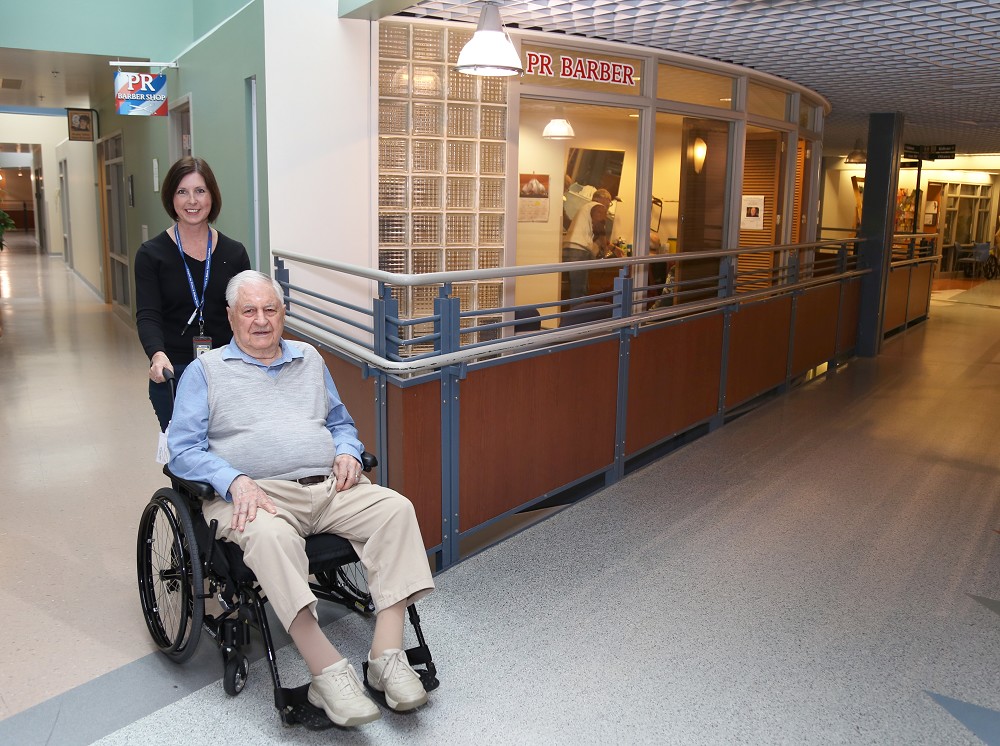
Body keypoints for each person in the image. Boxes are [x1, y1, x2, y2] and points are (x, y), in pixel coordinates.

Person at [168, 270, 434, 728]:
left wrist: (349, 451)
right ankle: (326, 672)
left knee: (396, 509)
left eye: (270, 310)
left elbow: (339, 422)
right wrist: (233, 479)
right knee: (272, 539)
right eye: (249, 311)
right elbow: (183, 450)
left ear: (283, 314)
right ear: (231, 317)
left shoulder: (309, 357)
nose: (261, 320)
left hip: (327, 487)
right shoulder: (206, 371)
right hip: (255, 495)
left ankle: (386, 655)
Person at [134, 156, 251, 431]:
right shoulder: (152, 254)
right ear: (171, 198)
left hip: (228, 367)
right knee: (186, 461)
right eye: (182, 192)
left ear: (212, 196)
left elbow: (245, 310)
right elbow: (148, 315)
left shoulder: (234, 253)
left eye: (200, 191)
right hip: (176, 371)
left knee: (231, 455)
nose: (192, 201)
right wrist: (157, 355)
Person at [561, 188, 612, 300]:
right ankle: (577, 316)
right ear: (603, 198)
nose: (609, 205)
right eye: (609, 201)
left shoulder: (586, 207)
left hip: (568, 248)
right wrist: (605, 249)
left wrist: (611, 246)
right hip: (579, 252)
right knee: (579, 291)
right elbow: (599, 228)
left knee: (574, 289)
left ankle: (572, 314)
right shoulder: (599, 206)